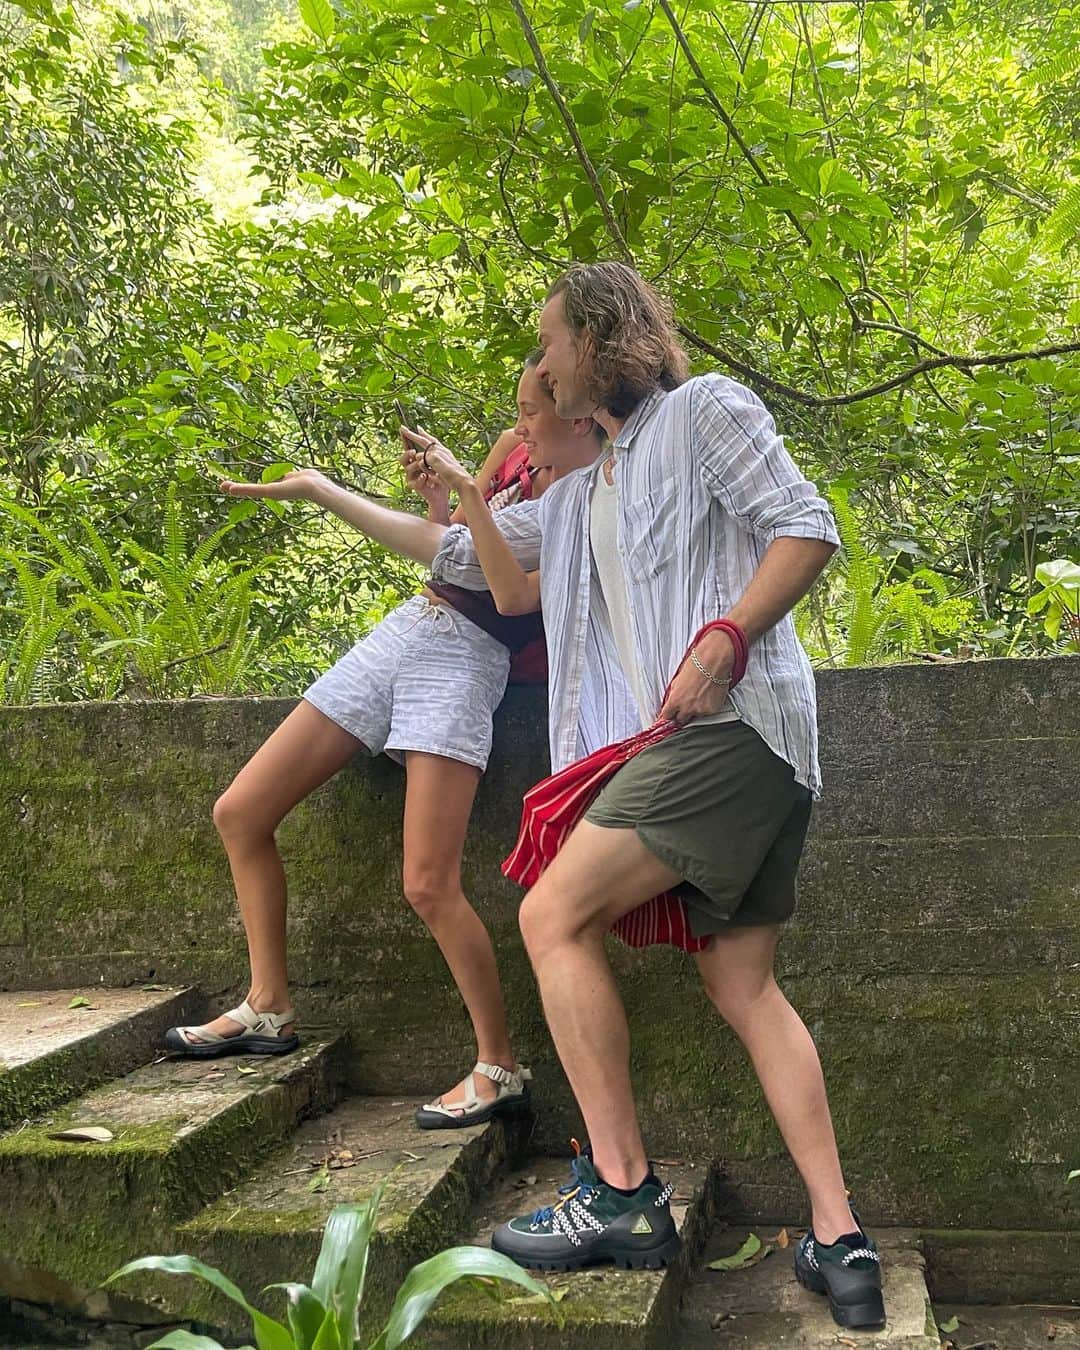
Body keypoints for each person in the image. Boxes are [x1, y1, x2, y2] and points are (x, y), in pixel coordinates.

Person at [421, 262, 885, 1330]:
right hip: (749, 758)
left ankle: (624, 1195)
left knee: (552, 911)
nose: (539, 365)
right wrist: (382, 492)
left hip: (729, 727)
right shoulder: (590, 485)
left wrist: (726, 633)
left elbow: (805, 524)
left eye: (550, 343)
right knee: (745, 988)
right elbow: (469, 562)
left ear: (600, 337)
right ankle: (836, 1237)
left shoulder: (702, 411)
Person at [163, 354, 604, 1131]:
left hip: (468, 660)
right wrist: (443, 497)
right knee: (240, 811)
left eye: (534, 409)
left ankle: (498, 1063)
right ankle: (268, 1004)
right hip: (407, 632)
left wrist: (326, 491)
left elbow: (475, 564)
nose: (520, 424)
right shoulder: (511, 452)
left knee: (427, 884)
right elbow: (450, 543)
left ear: (577, 413)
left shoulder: (586, 496)